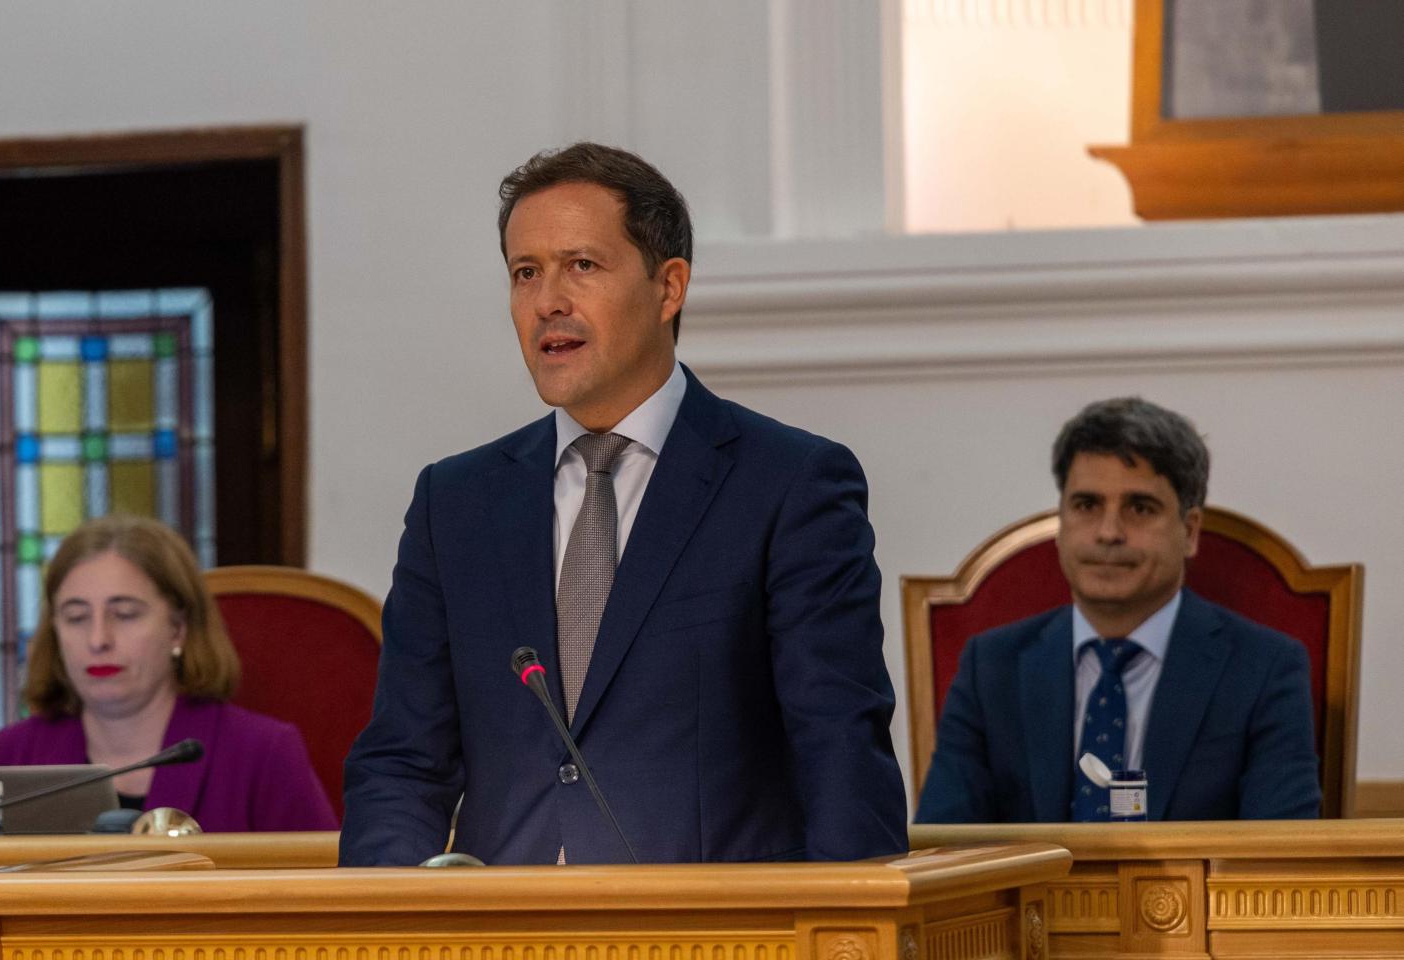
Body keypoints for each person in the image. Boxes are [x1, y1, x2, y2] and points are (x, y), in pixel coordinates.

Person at [340, 143, 905, 865]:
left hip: (715, 941)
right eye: (525, 273)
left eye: (582, 265)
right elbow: (403, 764)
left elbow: (839, 751)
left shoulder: (789, 485)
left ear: (669, 288)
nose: (548, 302)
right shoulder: (454, 505)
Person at [916, 398, 1321, 822]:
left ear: (1190, 531)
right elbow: (944, 849)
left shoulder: (1263, 669)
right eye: (1087, 505)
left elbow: (1278, 864)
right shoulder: (992, 668)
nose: (1109, 532)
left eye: (1140, 508)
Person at [0, 514, 337, 832]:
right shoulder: (11, 755)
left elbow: (324, 898)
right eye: (76, 617)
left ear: (178, 629)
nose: (98, 639)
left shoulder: (263, 754)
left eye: (125, 614)